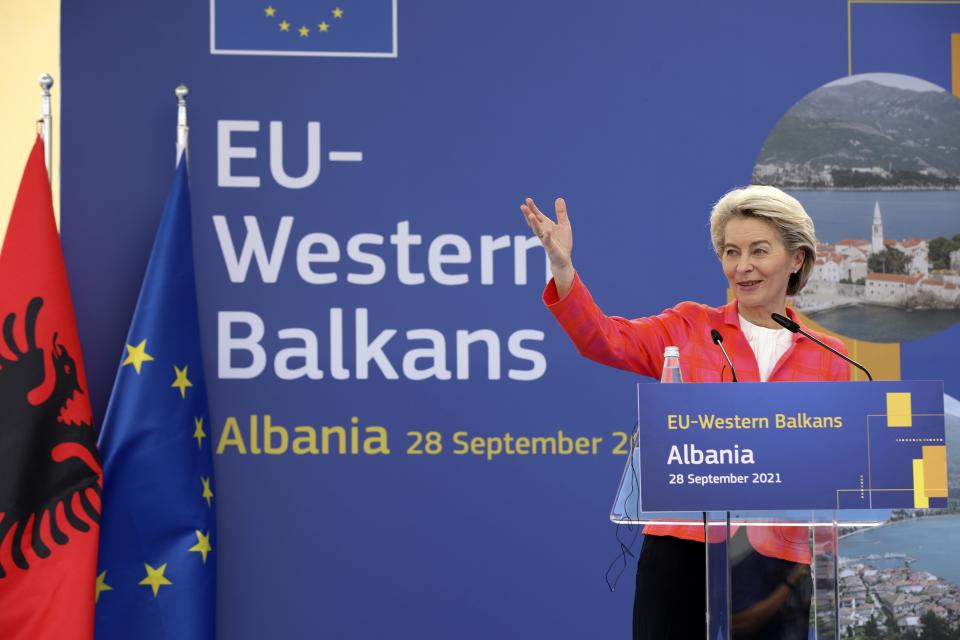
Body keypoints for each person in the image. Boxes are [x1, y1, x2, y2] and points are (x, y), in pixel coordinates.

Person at [519, 185, 850, 639]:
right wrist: (563, 270)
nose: (742, 266)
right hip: (683, 551)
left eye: (759, 250)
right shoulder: (690, 326)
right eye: (731, 252)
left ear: (796, 259)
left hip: (777, 563)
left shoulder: (831, 355)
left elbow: (835, 469)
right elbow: (602, 339)